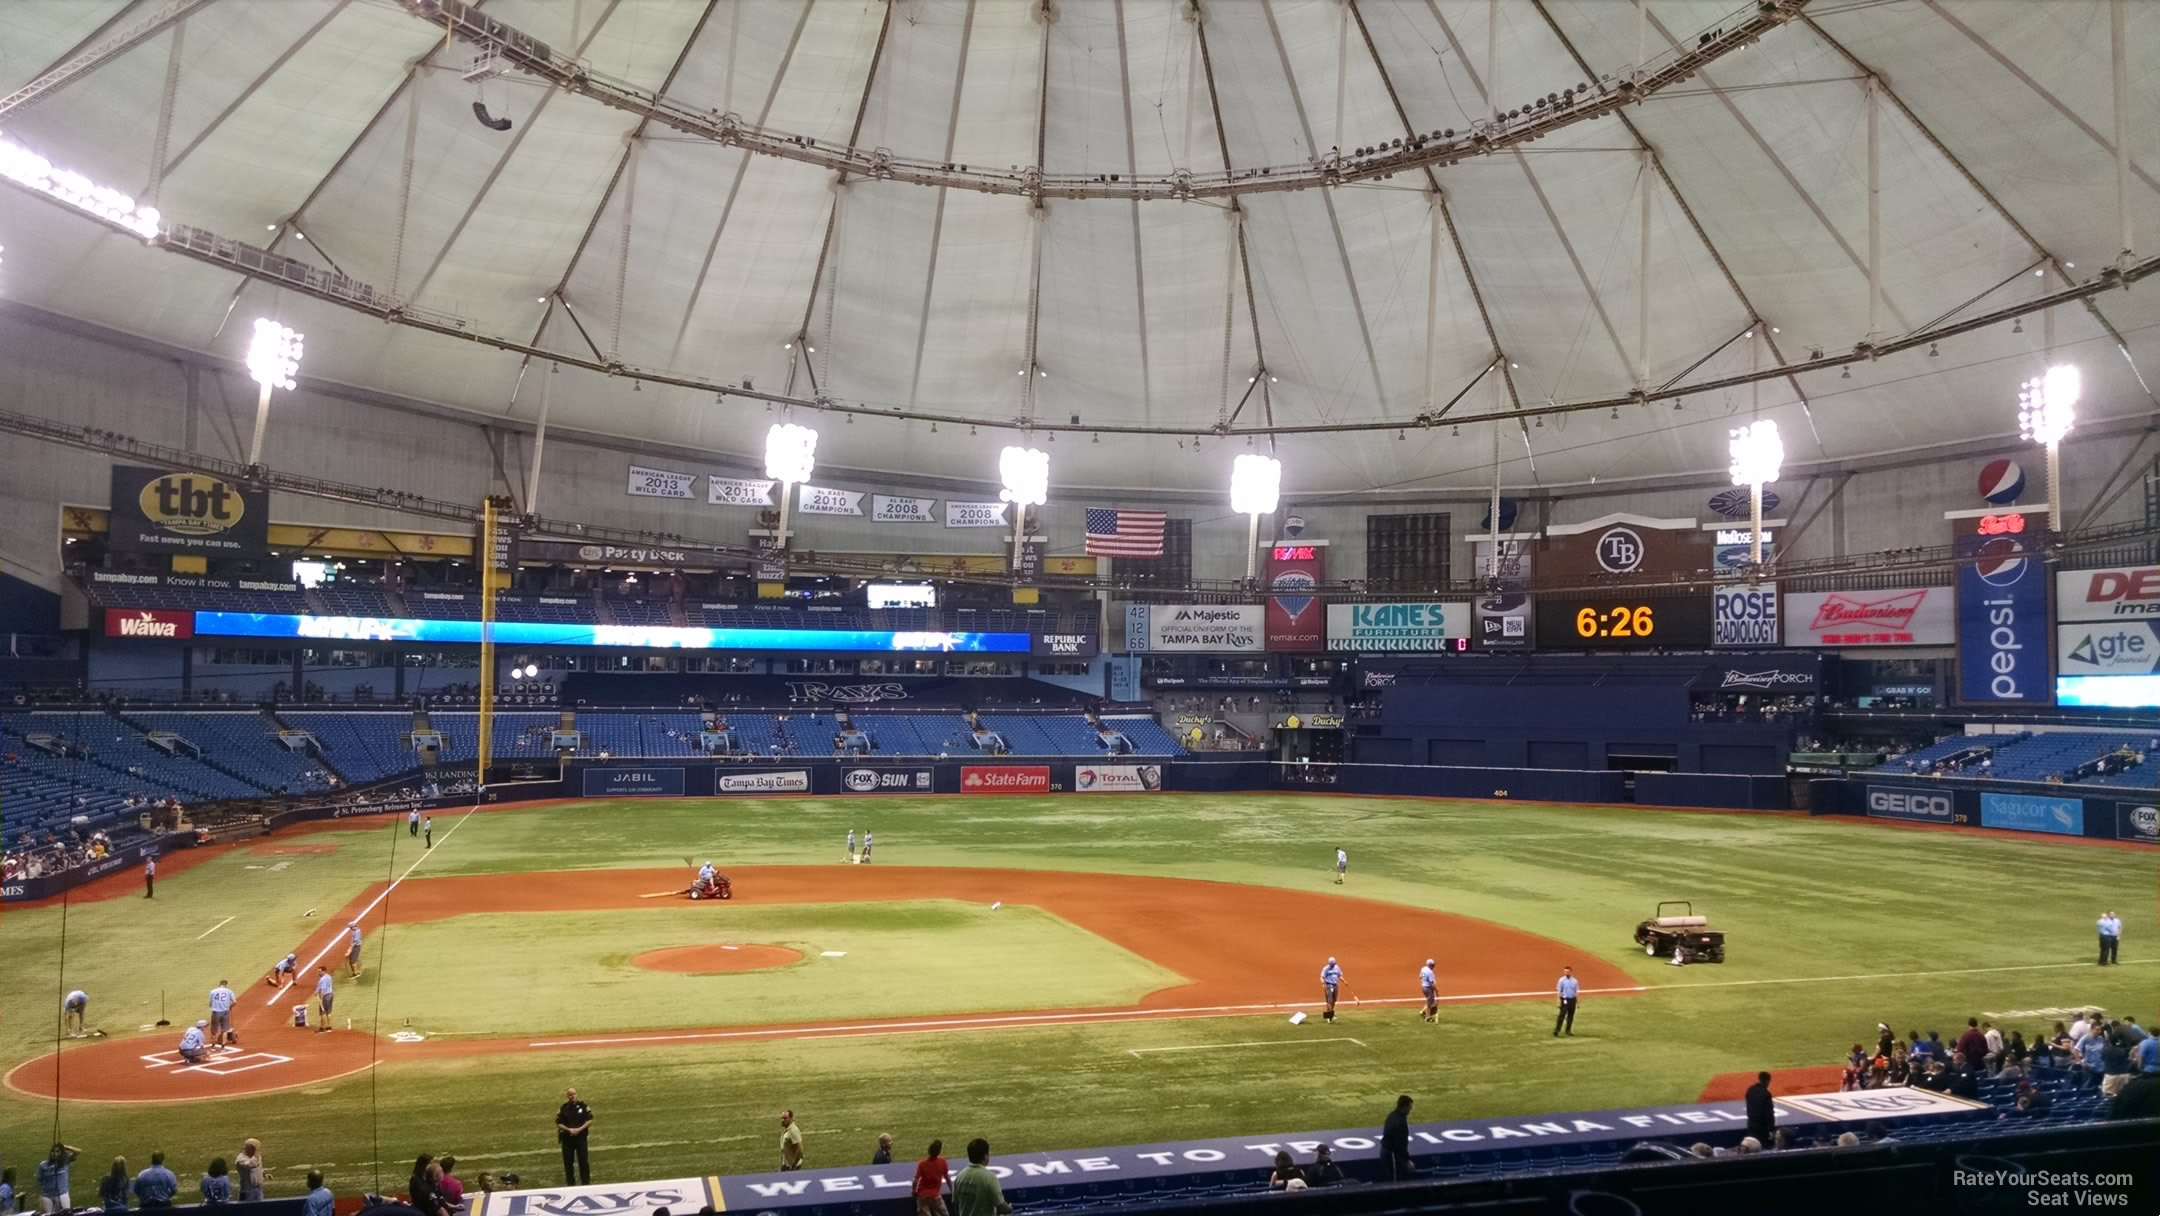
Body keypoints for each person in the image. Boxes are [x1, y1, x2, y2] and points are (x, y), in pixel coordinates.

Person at [950, 1140, 1010, 1216]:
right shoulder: (989, 1178)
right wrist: (1010, 1208)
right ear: (985, 1157)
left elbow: (955, 1204)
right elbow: (1002, 1207)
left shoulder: (959, 1177)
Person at [557, 1088, 594, 1184]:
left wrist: (579, 1129)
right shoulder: (563, 1108)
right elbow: (559, 1123)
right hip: (567, 1139)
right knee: (568, 1163)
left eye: (573, 1094)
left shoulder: (583, 1106)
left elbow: (590, 1120)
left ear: (576, 1094)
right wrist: (568, 1129)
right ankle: (570, 1183)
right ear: (567, 1096)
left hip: (580, 1138)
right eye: (570, 1094)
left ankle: (586, 1183)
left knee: (583, 1161)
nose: (572, 1096)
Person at [912, 1139, 951, 1216]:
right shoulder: (942, 1162)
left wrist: (914, 1192)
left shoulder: (922, 1164)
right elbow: (947, 1178)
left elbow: (915, 1181)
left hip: (922, 1196)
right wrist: (952, 1190)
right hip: (935, 1196)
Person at [1380, 1094, 1414, 1181]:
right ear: (1405, 1106)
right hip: (1392, 1154)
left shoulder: (1392, 1115)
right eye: (1410, 1107)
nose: (1410, 1109)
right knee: (1395, 1180)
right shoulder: (1400, 1122)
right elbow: (1400, 1144)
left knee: (1392, 1177)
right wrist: (1407, 1160)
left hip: (1387, 1151)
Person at [37, 1145, 79, 1214]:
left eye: (57, 1151)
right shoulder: (43, 1164)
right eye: (53, 1151)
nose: (54, 1153)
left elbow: (78, 1152)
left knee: (66, 1213)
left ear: (61, 1153)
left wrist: (66, 1147)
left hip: (62, 1194)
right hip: (47, 1196)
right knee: (48, 1214)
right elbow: (40, 1179)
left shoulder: (65, 1161)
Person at [1744, 1072, 1775, 1145]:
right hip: (1762, 1127)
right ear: (1767, 1081)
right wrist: (1771, 1128)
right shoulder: (1766, 1094)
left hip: (1751, 1124)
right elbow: (1769, 1113)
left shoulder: (1750, 1090)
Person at [209, 980, 237, 1048]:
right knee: (225, 1029)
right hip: (225, 1012)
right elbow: (234, 1002)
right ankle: (223, 1044)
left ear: (219, 984)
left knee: (214, 1029)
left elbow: (210, 1003)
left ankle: (213, 1044)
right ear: (226, 985)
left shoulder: (213, 991)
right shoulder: (229, 991)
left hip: (215, 1013)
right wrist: (229, 1007)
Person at [1554, 966, 1579, 1037]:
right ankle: (1557, 1030)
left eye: (1567, 972)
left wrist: (1577, 1001)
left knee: (1571, 1016)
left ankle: (1568, 1030)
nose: (1566, 973)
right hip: (1564, 999)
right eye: (1565, 971)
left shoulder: (1575, 981)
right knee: (1561, 1015)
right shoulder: (1561, 980)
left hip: (1572, 1000)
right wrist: (1558, 1001)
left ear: (1571, 972)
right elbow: (1559, 991)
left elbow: (1576, 992)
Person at [1319, 956, 1344, 1023]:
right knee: (1330, 1001)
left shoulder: (1337, 967)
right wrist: (1323, 982)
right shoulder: (1326, 969)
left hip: (1335, 985)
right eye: (1331, 964)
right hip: (1329, 985)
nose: (1333, 965)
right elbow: (1321, 977)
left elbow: (1340, 975)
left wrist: (1344, 981)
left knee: (1334, 1000)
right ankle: (1330, 1016)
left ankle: (1330, 1013)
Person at [314, 967, 335, 1032]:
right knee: (328, 1012)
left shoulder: (323, 979)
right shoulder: (328, 977)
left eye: (320, 971)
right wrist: (317, 991)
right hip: (330, 995)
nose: (318, 973)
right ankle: (329, 1027)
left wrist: (321, 998)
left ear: (324, 971)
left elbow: (323, 990)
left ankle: (323, 1027)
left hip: (325, 996)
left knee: (322, 1012)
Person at [1418, 959, 1438, 1024]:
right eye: (1433, 965)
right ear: (1430, 965)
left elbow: (1420, 976)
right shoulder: (1430, 972)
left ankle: (1422, 1012)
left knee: (1429, 1000)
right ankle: (1427, 1018)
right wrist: (1436, 990)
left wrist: (1424, 980)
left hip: (1424, 987)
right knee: (1430, 1003)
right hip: (1428, 988)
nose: (1434, 966)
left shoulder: (1423, 968)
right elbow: (1432, 983)